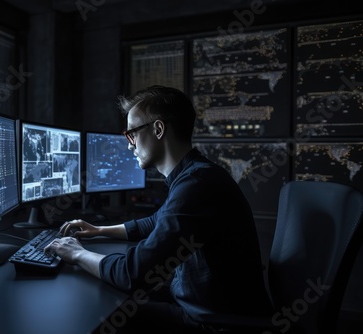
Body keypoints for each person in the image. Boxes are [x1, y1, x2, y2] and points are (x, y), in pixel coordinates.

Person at [44, 85, 272, 333]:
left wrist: (77, 254)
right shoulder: (196, 174)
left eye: (132, 134)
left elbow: (134, 273)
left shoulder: (196, 184)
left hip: (213, 322)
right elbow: (157, 221)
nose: (129, 145)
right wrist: (99, 229)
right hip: (201, 302)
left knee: (101, 316)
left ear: (158, 129)